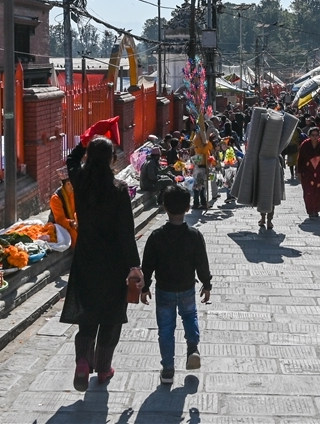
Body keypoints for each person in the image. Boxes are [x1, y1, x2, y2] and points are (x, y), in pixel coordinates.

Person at [60, 137, 142, 391]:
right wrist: (134, 266)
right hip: (114, 261)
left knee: (88, 310)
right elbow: (126, 233)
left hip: (86, 256)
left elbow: (71, 160)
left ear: (88, 158)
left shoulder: (80, 182)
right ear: (112, 160)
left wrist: (84, 142)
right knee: (110, 314)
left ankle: (83, 360)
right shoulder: (119, 190)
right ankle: (104, 367)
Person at [140, 185, 213, 385]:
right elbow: (202, 264)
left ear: (164, 207)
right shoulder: (194, 236)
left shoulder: (156, 237)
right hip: (188, 288)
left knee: (165, 329)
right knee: (190, 317)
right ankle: (192, 348)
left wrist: (144, 288)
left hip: (164, 290)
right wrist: (206, 285)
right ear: (188, 207)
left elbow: (147, 265)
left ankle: (168, 370)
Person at [297, 126, 320, 218]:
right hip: (307, 172)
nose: (315, 137)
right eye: (313, 135)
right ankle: (310, 210)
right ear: (309, 136)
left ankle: (316, 209)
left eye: (316, 135)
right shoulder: (305, 145)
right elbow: (300, 159)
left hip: (319, 172)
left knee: (319, 191)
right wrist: (299, 172)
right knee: (308, 192)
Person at [49, 168, 78, 247]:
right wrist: (72, 223)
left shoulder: (77, 192)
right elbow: (60, 219)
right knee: (75, 236)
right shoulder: (56, 198)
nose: (72, 186)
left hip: (76, 223)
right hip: (60, 226)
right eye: (69, 183)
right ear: (65, 184)